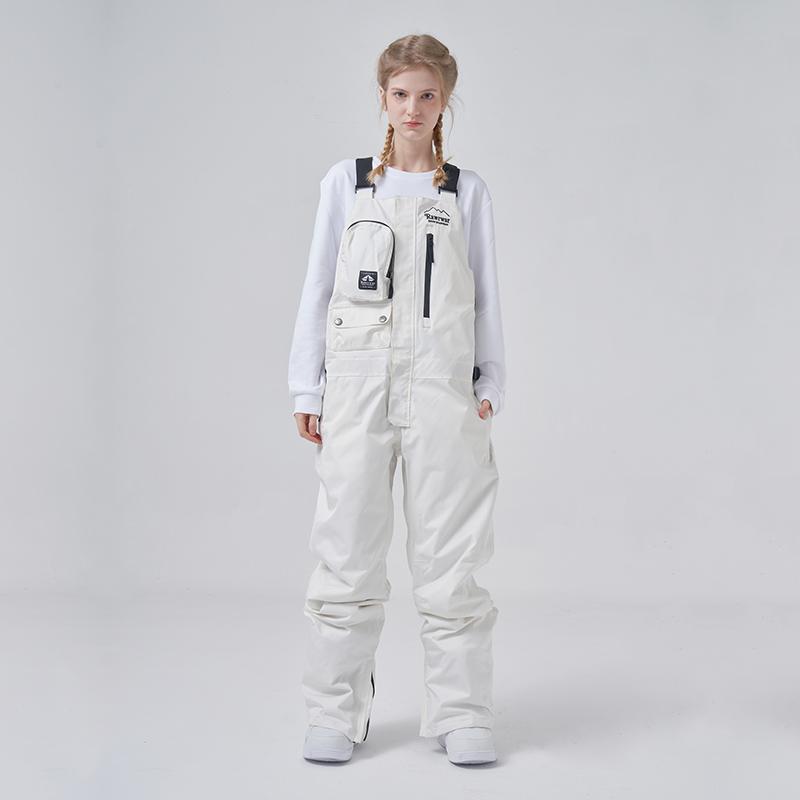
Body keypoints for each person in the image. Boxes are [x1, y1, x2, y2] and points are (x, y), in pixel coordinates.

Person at [287, 33, 506, 766]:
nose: (413, 108)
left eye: (428, 95)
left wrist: (490, 381)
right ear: (383, 97)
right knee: (346, 549)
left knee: (452, 556)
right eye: (401, 94)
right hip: (356, 388)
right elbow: (319, 287)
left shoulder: (464, 192)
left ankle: (462, 713)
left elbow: (486, 295)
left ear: (445, 101)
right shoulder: (347, 186)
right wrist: (307, 384)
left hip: (444, 390)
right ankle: (333, 712)